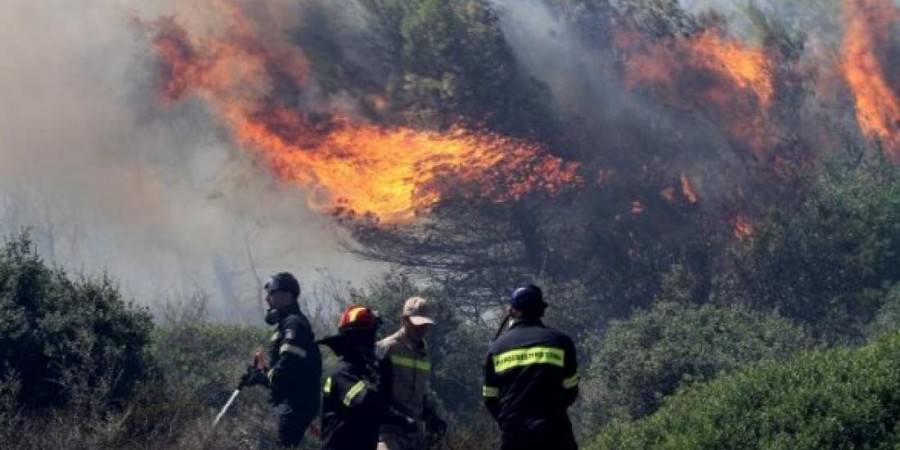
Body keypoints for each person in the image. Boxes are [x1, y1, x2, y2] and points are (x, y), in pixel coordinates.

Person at [482, 284, 579, 450]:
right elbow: (571, 390)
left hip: (515, 435)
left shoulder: (497, 348)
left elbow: (490, 397)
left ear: (512, 311)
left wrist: (508, 421)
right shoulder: (561, 342)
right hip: (555, 433)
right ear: (541, 310)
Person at [318, 305, 418, 450]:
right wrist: (401, 419)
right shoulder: (343, 374)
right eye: (371, 336)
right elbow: (365, 403)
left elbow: (384, 400)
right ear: (360, 339)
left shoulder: (365, 374)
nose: (374, 342)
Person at [241, 272, 323, 448]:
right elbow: (282, 370)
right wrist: (257, 375)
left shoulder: (294, 324)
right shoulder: (287, 323)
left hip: (297, 402)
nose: (266, 299)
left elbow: (288, 365)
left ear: (287, 294)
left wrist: (263, 378)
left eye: (271, 292)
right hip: (290, 401)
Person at [376, 297, 447, 450]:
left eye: (425, 324)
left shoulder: (424, 353)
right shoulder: (387, 348)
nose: (421, 329)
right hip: (388, 435)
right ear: (404, 320)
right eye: (417, 324)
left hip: (415, 435)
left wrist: (430, 414)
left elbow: (421, 391)